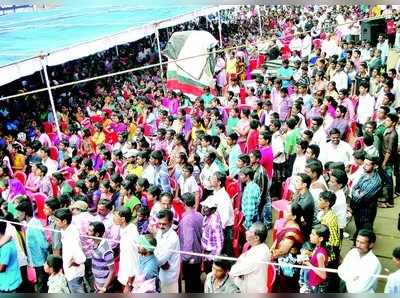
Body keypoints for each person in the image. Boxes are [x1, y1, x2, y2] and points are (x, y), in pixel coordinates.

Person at [15, 200, 48, 293]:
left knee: (41, 287)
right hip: (36, 262)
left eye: (18, 212)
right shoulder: (30, 224)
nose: (17, 215)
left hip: (40, 262)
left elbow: (43, 244)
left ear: (24, 213)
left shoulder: (33, 226)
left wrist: (45, 260)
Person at [54, 208, 86, 293]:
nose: (55, 222)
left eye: (57, 220)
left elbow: (81, 258)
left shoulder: (71, 236)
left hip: (74, 273)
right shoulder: (66, 229)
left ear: (64, 221)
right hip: (70, 271)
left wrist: (75, 262)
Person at [350, 155, 382, 240]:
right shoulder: (365, 173)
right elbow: (354, 188)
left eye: (367, 164)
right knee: (358, 226)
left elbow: (358, 198)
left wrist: (355, 192)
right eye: (364, 163)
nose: (364, 166)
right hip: (359, 209)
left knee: (364, 230)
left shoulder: (375, 181)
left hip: (366, 212)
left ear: (375, 166)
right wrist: (356, 192)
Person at [178, 193, 203, 293]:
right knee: (196, 283)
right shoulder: (199, 215)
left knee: (190, 286)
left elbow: (189, 241)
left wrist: (184, 258)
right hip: (198, 255)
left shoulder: (186, 220)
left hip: (190, 259)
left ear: (183, 204)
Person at [113, 206, 139, 293]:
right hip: (124, 268)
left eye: (116, 216)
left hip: (130, 274)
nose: (114, 218)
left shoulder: (130, 235)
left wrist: (129, 282)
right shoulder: (123, 228)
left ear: (123, 219)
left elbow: (132, 259)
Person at [154, 208, 180, 293]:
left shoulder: (172, 238)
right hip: (161, 274)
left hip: (169, 277)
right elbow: (155, 249)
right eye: (159, 224)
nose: (161, 226)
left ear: (171, 223)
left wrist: (159, 260)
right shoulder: (160, 232)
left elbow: (160, 260)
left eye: (164, 224)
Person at [210, 171, 234, 255]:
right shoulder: (216, 192)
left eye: (213, 179)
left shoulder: (223, 197)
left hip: (225, 229)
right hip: (219, 224)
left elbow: (225, 217)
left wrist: (217, 230)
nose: (211, 180)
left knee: (225, 252)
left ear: (219, 182)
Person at [88, 221, 115, 293]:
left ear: (96, 234)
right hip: (97, 283)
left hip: (103, 285)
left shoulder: (106, 249)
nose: (87, 232)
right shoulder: (94, 243)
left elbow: (112, 271)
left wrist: (104, 288)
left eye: (90, 231)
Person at [0, 217, 22, 293]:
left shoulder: (6, 247)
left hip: (9, 284)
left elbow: (2, 268)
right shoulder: (7, 242)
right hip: (10, 281)